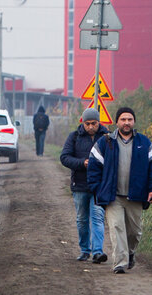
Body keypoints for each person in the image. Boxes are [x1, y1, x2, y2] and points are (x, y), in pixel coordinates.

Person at [87, 107, 152, 274]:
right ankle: (120, 263)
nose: (126, 122)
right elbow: (93, 167)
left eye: (129, 119)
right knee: (117, 228)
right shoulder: (105, 142)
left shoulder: (144, 143)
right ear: (117, 122)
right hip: (113, 196)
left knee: (134, 232)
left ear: (133, 122)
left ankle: (129, 253)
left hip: (136, 195)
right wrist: (99, 189)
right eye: (123, 119)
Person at [60, 108, 109, 263]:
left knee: (97, 218)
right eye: (87, 124)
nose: (90, 127)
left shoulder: (107, 138)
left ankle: (97, 252)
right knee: (82, 219)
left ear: (98, 122)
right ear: (82, 122)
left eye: (93, 123)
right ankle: (84, 250)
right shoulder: (74, 137)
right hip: (80, 185)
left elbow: (114, 159)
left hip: (99, 186)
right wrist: (82, 163)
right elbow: (65, 157)